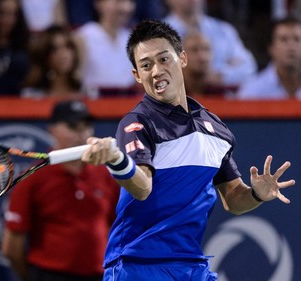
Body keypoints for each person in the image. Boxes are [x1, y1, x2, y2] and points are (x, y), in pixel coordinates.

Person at [80, 20, 295, 280]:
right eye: (146, 65)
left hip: (191, 265)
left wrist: (257, 195)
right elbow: (142, 186)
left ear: (182, 58)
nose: (157, 71)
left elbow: (234, 199)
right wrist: (116, 159)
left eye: (164, 59)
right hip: (137, 264)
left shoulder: (216, 129)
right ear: (137, 75)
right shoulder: (137, 123)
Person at [1, 100, 120, 281]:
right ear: (52, 130)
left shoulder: (106, 175)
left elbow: (117, 229)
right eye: (73, 126)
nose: (82, 134)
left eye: (87, 126)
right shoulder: (33, 178)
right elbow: (12, 247)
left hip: (100, 275)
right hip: (49, 275)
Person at [162, 0, 257, 88]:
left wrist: (221, 75)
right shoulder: (158, 35)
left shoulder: (224, 30)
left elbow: (249, 68)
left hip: (221, 101)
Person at [73, 0, 139, 98]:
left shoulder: (133, 39)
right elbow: (75, 79)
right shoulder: (83, 37)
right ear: (100, 4)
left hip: (126, 102)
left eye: (129, 2)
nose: (126, 8)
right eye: (118, 2)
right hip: (93, 103)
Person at [237, 16, 301, 99]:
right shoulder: (252, 92)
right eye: (283, 39)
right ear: (271, 48)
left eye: (297, 39)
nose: (291, 46)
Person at [21, 25, 83, 99]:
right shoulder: (31, 96)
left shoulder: (88, 94)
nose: (63, 54)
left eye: (67, 46)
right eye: (55, 49)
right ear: (45, 56)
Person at [182, 31, 237, 97]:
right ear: (181, 57)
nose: (202, 57)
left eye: (206, 49)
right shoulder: (170, 92)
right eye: (194, 50)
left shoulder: (224, 95)